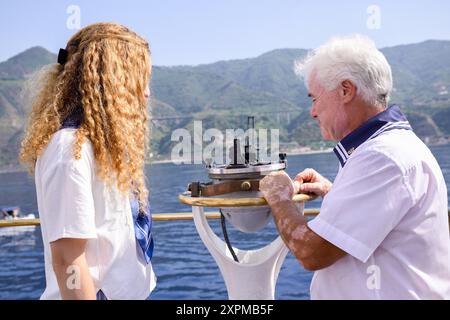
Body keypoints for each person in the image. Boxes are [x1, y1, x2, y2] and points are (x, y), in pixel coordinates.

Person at [259, 35, 450, 299]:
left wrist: (278, 195)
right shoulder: (391, 148)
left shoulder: (382, 157)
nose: (313, 112)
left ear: (346, 90)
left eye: (314, 99)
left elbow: (311, 252)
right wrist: (336, 192)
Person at [20, 22, 156, 300]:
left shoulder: (99, 146)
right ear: (114, 79)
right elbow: (68, 260)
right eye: (140, 79)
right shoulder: (69, 150)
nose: (146, 93)